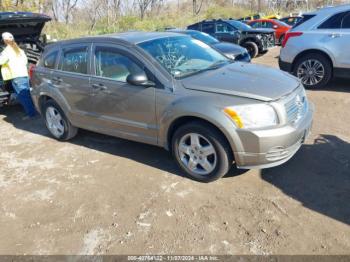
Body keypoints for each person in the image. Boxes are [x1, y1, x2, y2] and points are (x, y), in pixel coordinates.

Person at [0, 32, 36, 117]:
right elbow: (25, 61)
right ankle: (33, 111)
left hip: (16, 77)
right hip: (24, 75)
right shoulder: (20, 50)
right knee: (28, 94)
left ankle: (31, 114)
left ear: (5, 41)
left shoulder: (6, 51)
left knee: (23, 97)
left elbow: (1, 61)